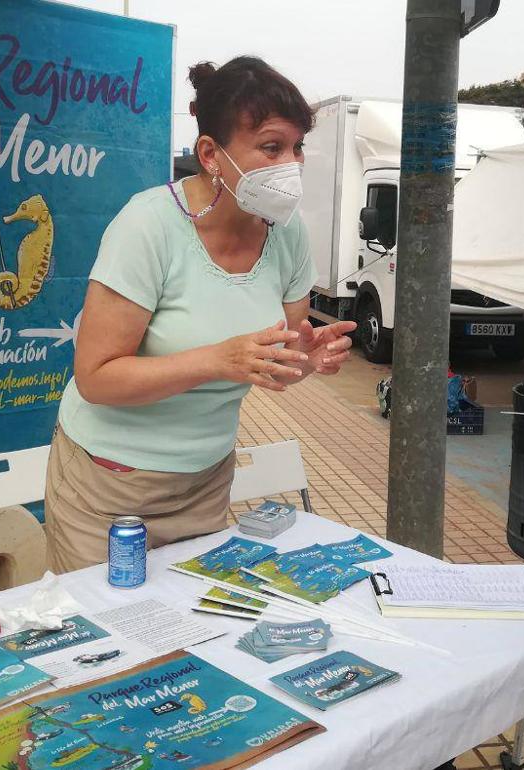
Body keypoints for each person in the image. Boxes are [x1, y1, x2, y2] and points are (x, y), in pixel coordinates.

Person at [45, 57, 356, 574]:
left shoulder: (288, 233)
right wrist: (217, 360)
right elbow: (96, 378)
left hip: (206, 480)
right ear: (211, 153)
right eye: (272, 147)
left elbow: (275, 359)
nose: (292, 165)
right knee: (111, 641)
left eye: (298, 147)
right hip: (107, 485)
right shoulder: (148, 226)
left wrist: (308, 358)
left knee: (188, 636)